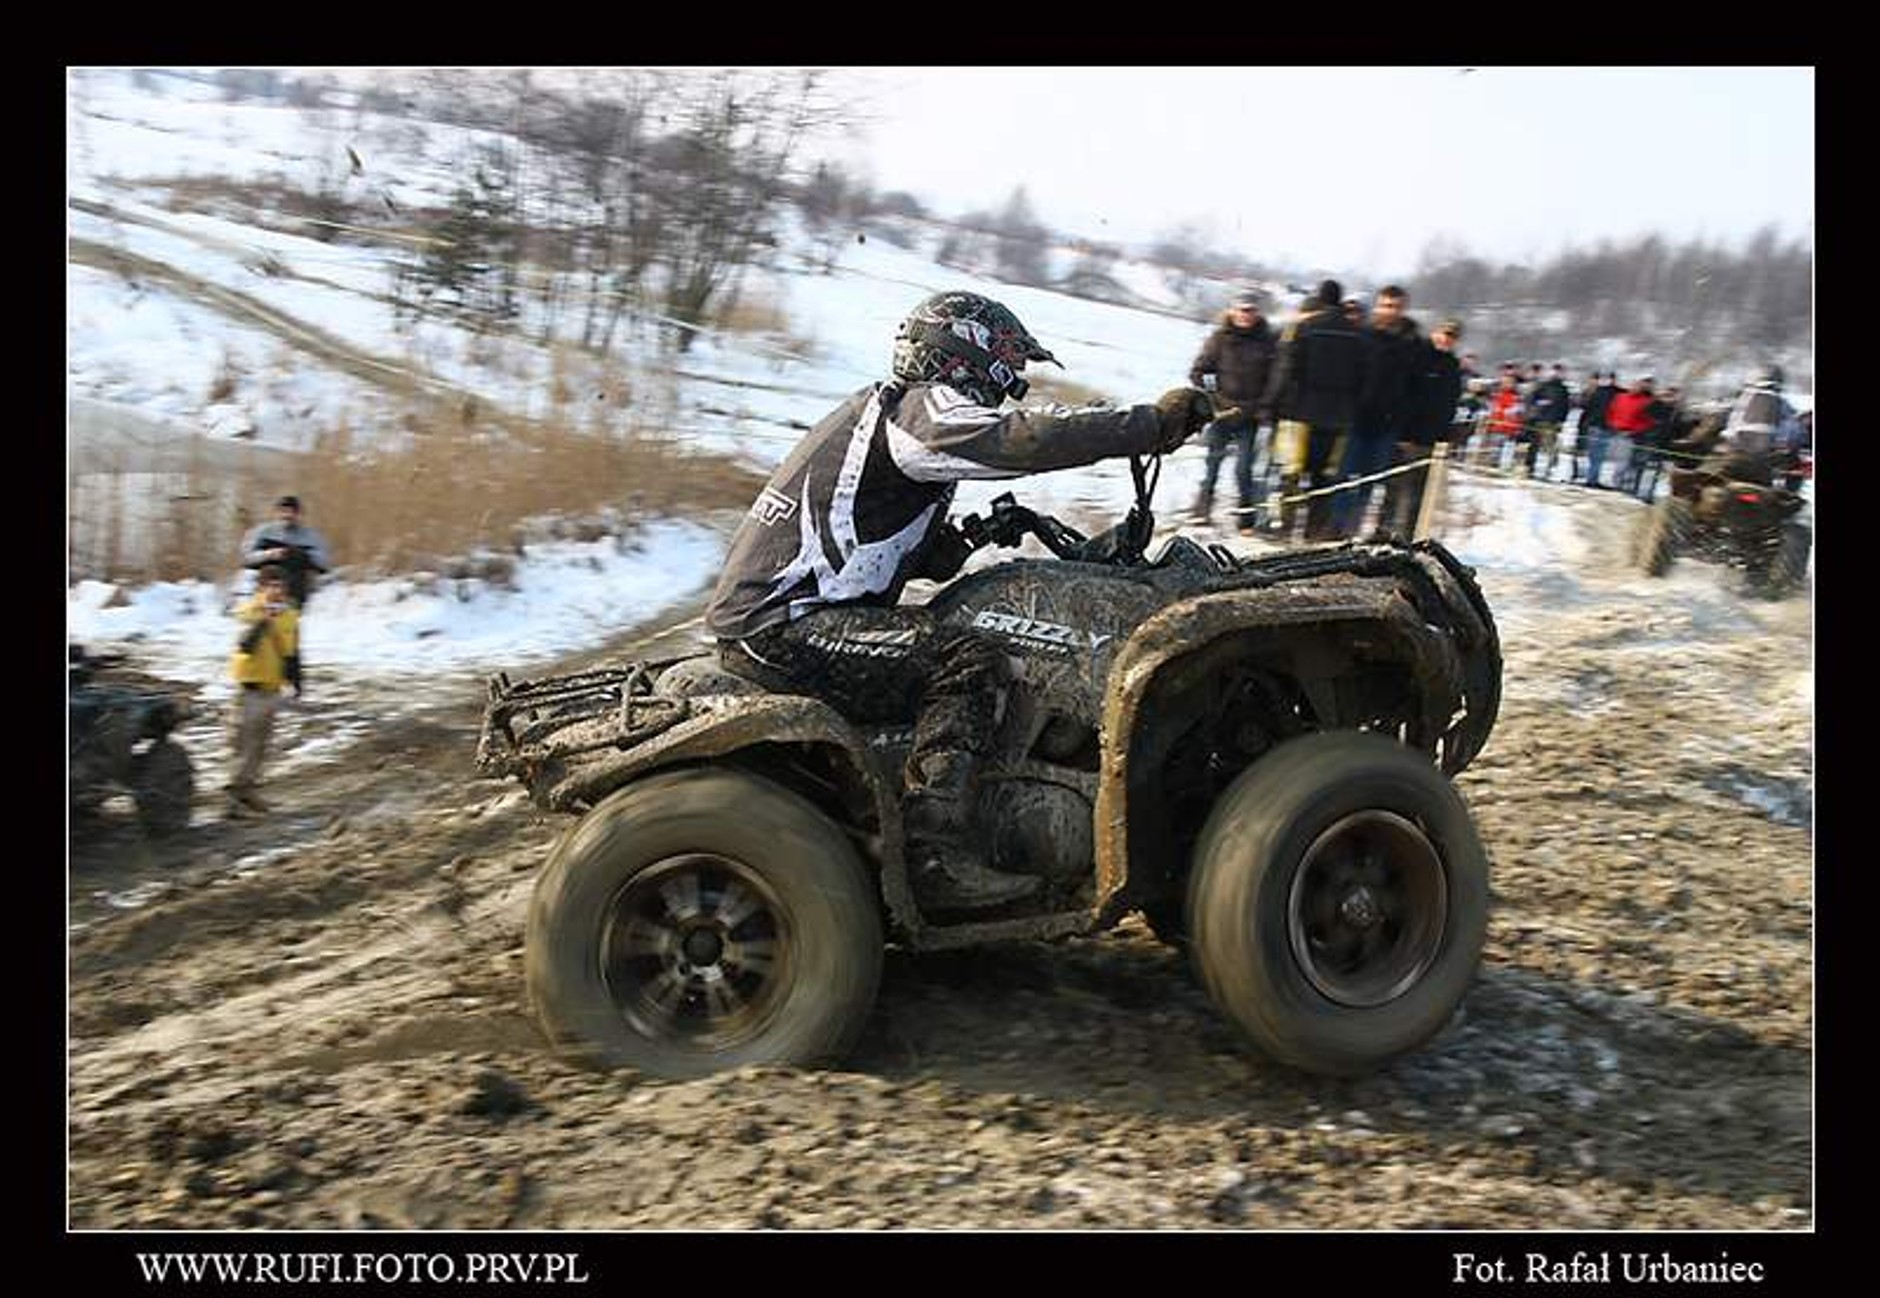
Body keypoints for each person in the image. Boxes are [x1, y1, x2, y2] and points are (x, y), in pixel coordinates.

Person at [706, 290, 1212, 913]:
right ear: (966, 351)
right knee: (970, 661)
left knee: (961, 629)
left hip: (794, 615)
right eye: (1008, 362)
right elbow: (1022, 440)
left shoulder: (895, 418)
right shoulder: (921, 413)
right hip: (786, 625)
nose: (1013, 382)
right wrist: (1149, 425)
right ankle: (933, 853)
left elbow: (884, 544)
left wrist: (974, 537)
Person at [1262, 279, 1369, 541]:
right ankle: (1314, 531)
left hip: (1301, 414)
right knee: (1325, 477)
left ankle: (1284, 529)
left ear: (1319, 301)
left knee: (1292, 474)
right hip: (1339, 420)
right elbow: (1363, 380)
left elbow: (1285, 371)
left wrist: (1270, 405)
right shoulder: (1358, 336)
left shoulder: (1304, 328)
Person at [1332, 285, 1422, 538]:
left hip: (1388, 424)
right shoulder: (1362, 337)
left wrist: (1405, 425)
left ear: (1403, 309)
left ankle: (1353, 528)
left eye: (1395, 307)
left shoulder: (1412, 343)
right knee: (1342, 477)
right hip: (1355, 420)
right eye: (1385, 305)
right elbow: (1347, 377)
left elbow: (1414, 388)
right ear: (1377, 307)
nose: (1389, 311)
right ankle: (1337, 526)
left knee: (1370, 482)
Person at [1187, 289, 1279, 533]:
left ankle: (1245, 519)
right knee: (1212, 465)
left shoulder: (1268, 341)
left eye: (1250, 311)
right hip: (1220, 414)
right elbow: (1199, 371)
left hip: (1250, 416)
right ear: (1232, 310)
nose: (1245, 315)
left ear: (1257, 314)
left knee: (1244, 470)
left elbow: (1275, 379)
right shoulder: (1219, 338)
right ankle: (1201, 512)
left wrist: (1262, 406)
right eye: (1241, 310)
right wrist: (1213, 397)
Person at [226, 564, 301, 817]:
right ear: (261, 587)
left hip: (273, 687)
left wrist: (297, 680)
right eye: (271, 585)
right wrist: (263, 620)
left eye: (281, 586)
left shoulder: (290, 616)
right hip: (250, 687)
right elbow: (245, 645)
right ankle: (232, 802)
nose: (277, 591)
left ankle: (249, 792)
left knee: (261, 745)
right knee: (243, 744)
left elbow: (292, 652)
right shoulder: (249, 611)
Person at [1381, 317, 1465, 537]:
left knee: (1418, 495)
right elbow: (1401, 393)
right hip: (1405, 435)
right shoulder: (1418, 355)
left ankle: (1407, 538)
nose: (1447, 340)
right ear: (1435, 332)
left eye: (1452, 337)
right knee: (1394, 490)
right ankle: (1383, 533)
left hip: (1430, 440)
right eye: (1445, 334)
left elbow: (1450, 403)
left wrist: (1445, 433)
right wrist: (1400, 428)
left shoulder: (1452, 366)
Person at [241, 495, 332, 610]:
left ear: (299, 514)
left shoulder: (311, 537)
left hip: (294, 595)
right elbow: (247, 558)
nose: (287, 515)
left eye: (292, 512)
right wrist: (269, 554)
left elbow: (324, 563)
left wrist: (301, 555)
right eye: (283, 511)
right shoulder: (262, 532)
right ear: (276, 513)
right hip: (264, 594)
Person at [1606, 375, 1658, 494]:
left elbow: (1649, 421)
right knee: (1622, 462)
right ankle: (1617, 485)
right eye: (1636, 384)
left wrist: (1635, 430)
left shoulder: (1647, 401)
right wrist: (1613, 425)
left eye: (1640, 385)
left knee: (1635, 463)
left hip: (1638, 435)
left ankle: (1628, 488)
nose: (1637, 387)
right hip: (1621, 433)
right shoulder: (1620, 397)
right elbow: (1611, 412)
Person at [1523, 363, 1573, 479]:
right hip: (1540, 420)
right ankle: (1530, 468)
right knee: (1534, 445)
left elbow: (1566, 406)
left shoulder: (1563, 389)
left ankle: (1547, 470)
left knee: (1550, 447)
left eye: (1560, 372)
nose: (1557, 374)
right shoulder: (1543, 386)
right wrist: (1538, 408)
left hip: (1554, 422)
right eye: (1555, 371)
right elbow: (1531, 400)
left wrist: (1562, 420)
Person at [1577, 370, 1620, 486]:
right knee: (1596, 455)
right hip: (1600, 426)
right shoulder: (1615, 393)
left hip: (1600, 426)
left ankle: (1592, 479)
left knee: (1596, 455)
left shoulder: (1598, 392)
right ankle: (1592, 479)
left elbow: (1586, 407)